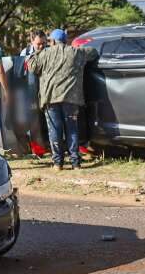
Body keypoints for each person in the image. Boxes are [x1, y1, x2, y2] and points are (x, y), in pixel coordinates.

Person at [26, 28, 98, 170]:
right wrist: (79, 46)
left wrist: (37, 51)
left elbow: (31, 66)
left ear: (51, 41)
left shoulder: (45, 53)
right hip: (71, 99)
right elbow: (93, 52)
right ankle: (75, 162)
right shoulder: (76, 52)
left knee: (55, 130)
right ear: (66, 40)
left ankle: (58, 163)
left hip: (51, 98)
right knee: (72, 130)